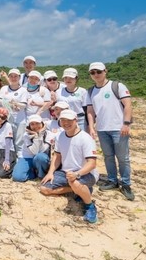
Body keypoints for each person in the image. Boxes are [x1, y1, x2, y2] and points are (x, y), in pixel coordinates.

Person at [85, 62, 134, 201]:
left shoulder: (117, 86)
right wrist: (91, 127)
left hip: (118, 128)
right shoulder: (90, 91)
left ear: (105, 71)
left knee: (123, 158)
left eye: (98, 71)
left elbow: (128, 105)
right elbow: (90, 111)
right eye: (92, 72)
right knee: (108, 156)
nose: (96, 74)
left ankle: (125, 184)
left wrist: (126, 123)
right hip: (102, 129)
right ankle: (112, 180)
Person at [40, 109, 99, 223]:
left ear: (76, 120)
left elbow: (92, 164)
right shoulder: (60, 136)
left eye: (69, 120)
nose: (66, 123)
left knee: (75, 182)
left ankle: (90, 206)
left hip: (85, 173)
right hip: (65, 172)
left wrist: (77, 174)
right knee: (44, 189)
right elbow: (57, 156)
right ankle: (79, 191)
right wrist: (50, 172)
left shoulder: (85, 138)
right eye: (63, 120)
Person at [11, 115, 53, 182]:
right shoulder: (26, 135)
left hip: (40, 158)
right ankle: (34, 173)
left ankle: (41, 175)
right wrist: (36, 137)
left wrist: (40, 135)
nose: (35, 126)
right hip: (27, 157)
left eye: (37, 123)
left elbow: (41, 151)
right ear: (29, 126)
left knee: (40, 156)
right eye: (32, 124)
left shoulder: (49, 134)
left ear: (42, 124)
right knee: (17, 177)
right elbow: (34, 151)